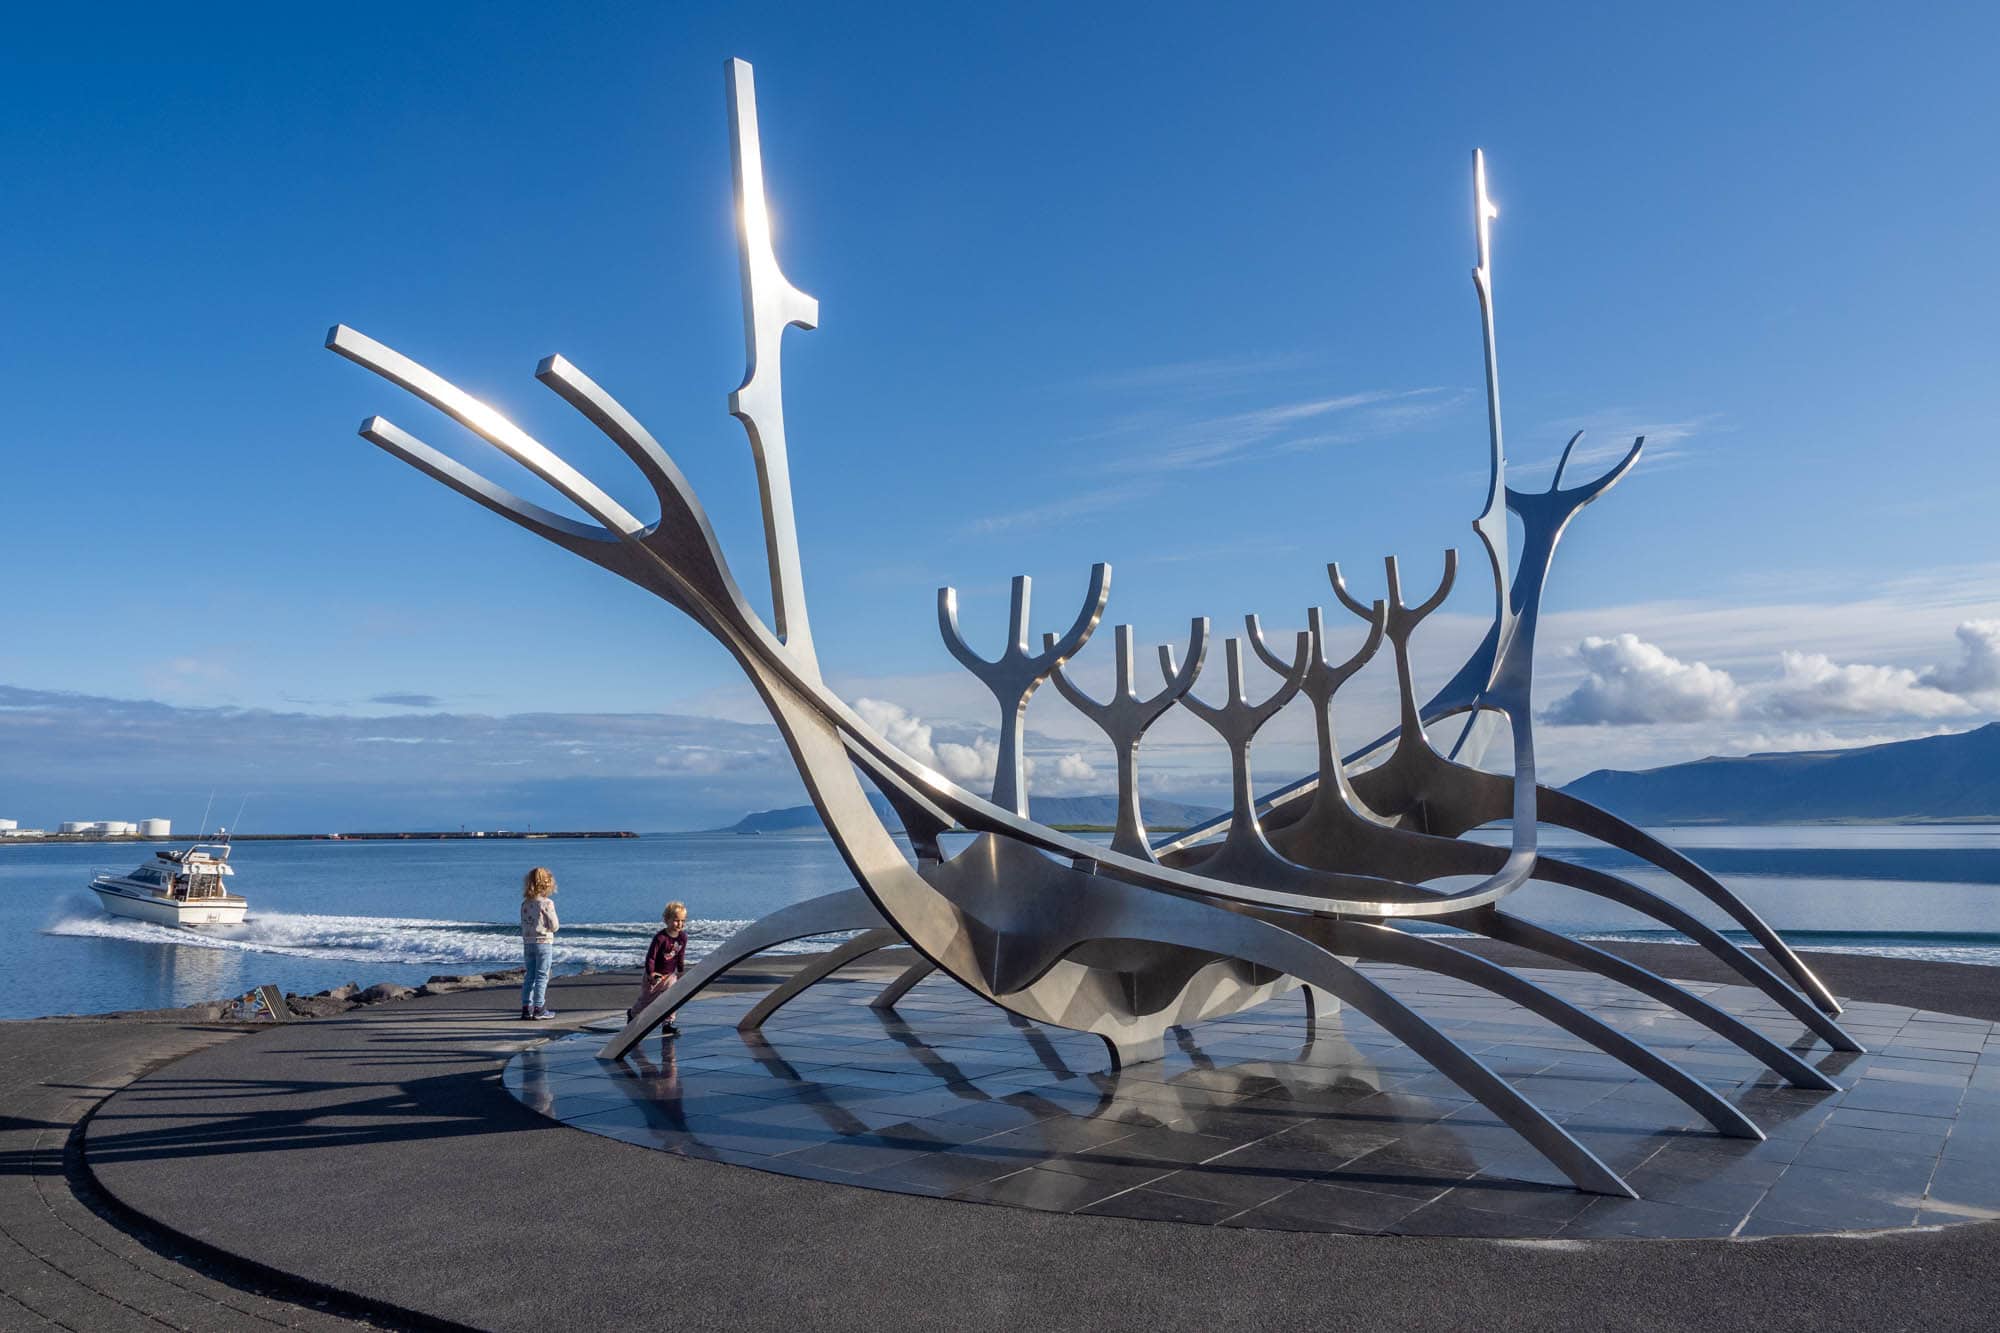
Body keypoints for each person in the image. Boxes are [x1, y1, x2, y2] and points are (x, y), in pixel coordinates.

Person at [629, 901, 689, 1032]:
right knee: (646, 1000)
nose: (680, 924)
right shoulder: (660, 938)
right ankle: (632, 1014)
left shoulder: (682, 937)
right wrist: (651, 973)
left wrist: (680, 971)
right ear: (667, 920)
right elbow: (651, 957)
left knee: (672, 998)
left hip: (670, 975)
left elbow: (680, 955)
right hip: (655, 975)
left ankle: (667, 1023)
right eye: (676, 920)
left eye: (683, 920)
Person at [519, 866, 560, 1020]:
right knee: (542, 976)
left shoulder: (525, 904)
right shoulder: (546, 903)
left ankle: (526, 1008)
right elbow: (554, 926)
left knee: (529, 975)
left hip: (528, 942)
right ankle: (539, 1008)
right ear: (547, 885)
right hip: (543, 943)